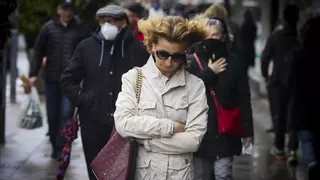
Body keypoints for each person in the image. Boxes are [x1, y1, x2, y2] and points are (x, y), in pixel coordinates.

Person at [114, 15, 209, 180]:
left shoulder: (195, 85)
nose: (169, 62)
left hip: (180, 175)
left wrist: (146, 141)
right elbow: (123, 123)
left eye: (177, 56)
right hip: (143, 173)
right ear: (151, 47)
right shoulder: (133, 78)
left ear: (185, 54)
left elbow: (193, 140)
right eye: (163, 54)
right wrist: (170, 127)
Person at [60, 4, 150, 180]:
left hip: (126, 126)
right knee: (95, 173)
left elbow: (149, 81)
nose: (107, 25)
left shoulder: (137, 49)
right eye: (104, 21)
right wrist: (85, 99)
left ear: (123, 22)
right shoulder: (86, 47)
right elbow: (67, 80)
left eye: (112, 21)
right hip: (93, 123)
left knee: (123, 173)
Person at [187, 17, 254, 180]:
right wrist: (209, 72)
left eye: (215, 35)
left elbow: (244, 97)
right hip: (201, 133)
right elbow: (187, 92)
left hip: (226, 132)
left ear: (224, 36)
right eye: (207, 35)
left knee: (223, 175)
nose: (211, 39)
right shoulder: (192, 60)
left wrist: (247, 131)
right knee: (201, 176)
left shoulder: (233, 61)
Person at [28, 0, 90, 158]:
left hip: (70, 82)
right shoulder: (48, 28)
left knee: (66, 113)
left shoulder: (80, 29)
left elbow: (90, 50)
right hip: (51, 79)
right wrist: (33, 74)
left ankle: (61, 146)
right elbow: (38, 51)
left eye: (70, 10)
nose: (67, 13)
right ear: (59, 10)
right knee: (52, 113)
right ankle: (54, 144)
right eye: (65, 9)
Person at [260, 4, 300, 164]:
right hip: (296, 82)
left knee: (279, 115)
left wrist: (266, 75)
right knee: (293, 115)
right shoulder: (298, 36)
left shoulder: (276, 35)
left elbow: (265, 57)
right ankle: (292, 150)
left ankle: (279, 149)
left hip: (277, 82)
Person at [288, 16, 320, 180]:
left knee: (306, 139)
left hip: (303, 105)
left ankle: (312, 163)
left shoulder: (299, 54)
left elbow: (291, 80)